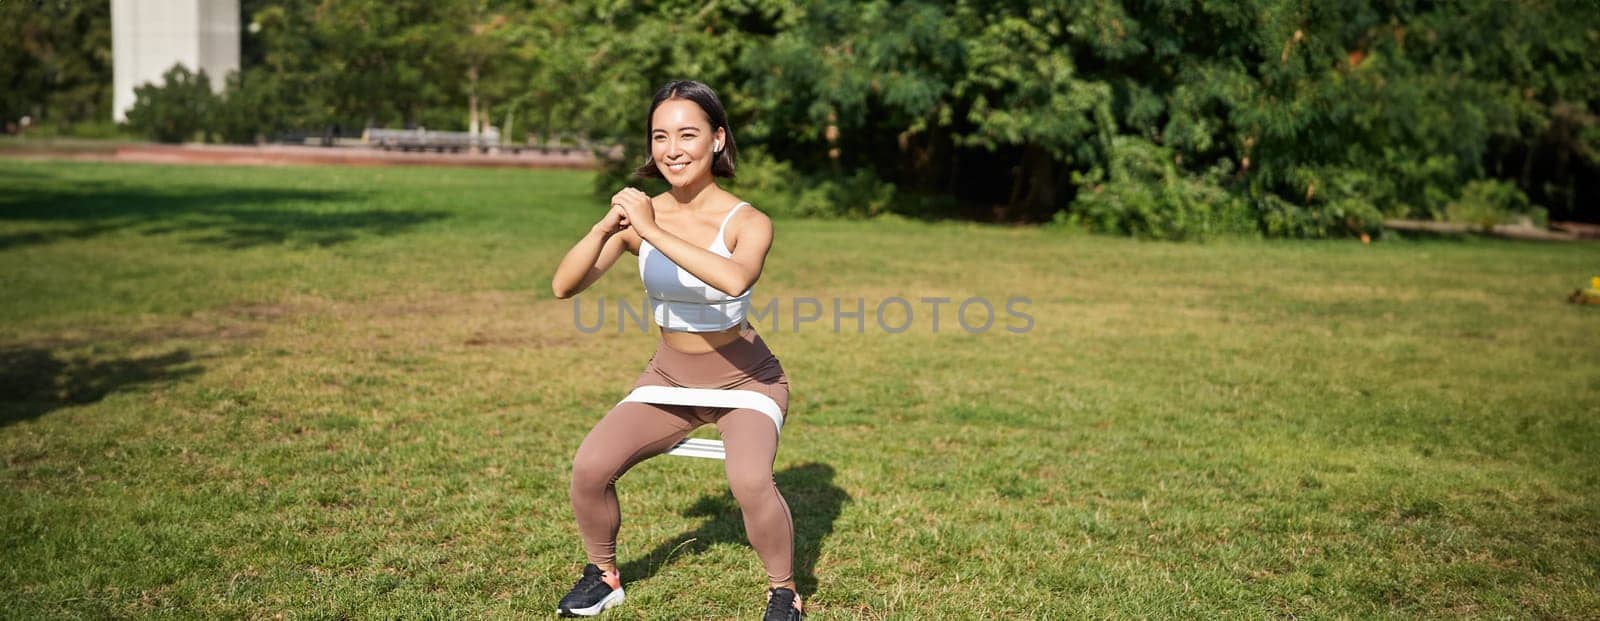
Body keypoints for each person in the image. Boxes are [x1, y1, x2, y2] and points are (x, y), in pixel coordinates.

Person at [549, 80, 803, 620]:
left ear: (717, 140)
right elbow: (563, 286)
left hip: (746, 379)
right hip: (670, 376)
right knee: (590, 466)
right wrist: (605, 227)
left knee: (750, 481)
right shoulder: (641, 218)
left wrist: (650, 227)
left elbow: (733, 280)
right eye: (660, 136)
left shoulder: (748, 221)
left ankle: (784, 591)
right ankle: (603, 575)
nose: (672, 149)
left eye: (688, 134)